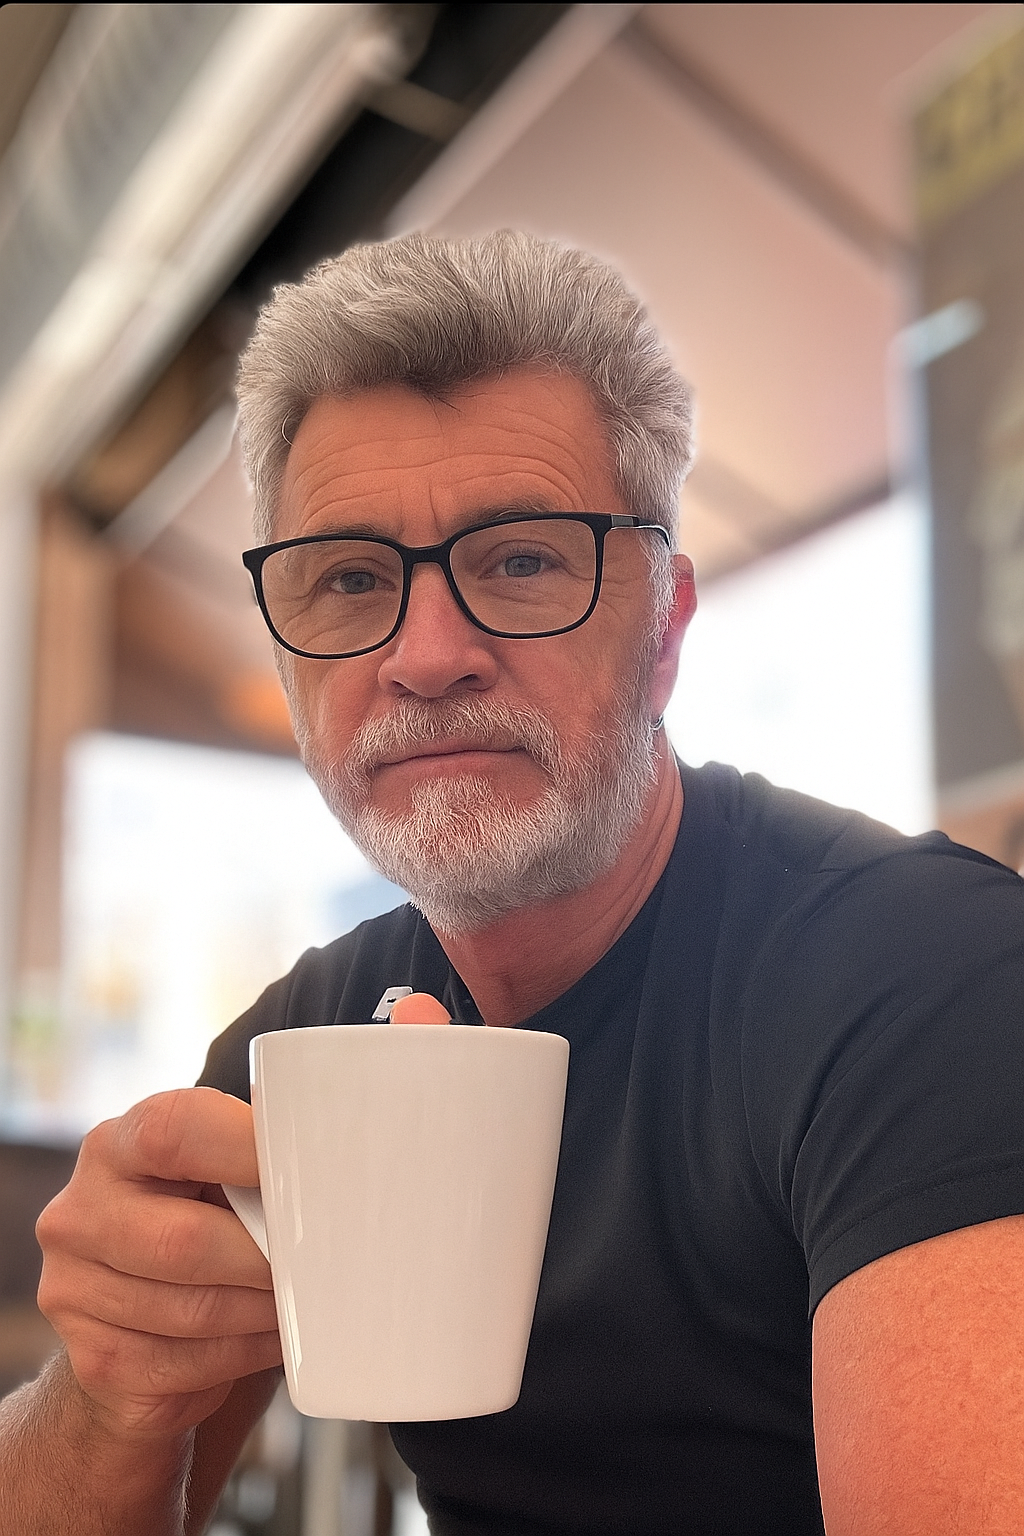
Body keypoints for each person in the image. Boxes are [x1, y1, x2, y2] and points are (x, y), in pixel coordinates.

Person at [4, 230, 1024, 1536]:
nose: (428, 654)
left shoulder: (925, 982)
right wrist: (107, 1396)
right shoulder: (311, 1041)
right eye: (351, 578)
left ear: (665, 629)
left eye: (524, 560)